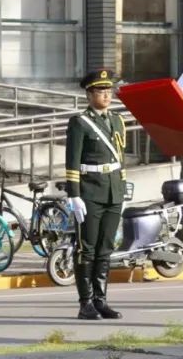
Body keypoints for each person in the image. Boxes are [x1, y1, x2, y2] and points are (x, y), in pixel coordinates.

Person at [65, 69, 127, 320]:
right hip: (89, 191)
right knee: (86, 248)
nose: (106, 95)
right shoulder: (80, 122)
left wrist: (122, 188)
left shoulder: (117, 120)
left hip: (113, 191)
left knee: (106, 248)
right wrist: (74, 195)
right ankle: (86, 302)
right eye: (101, 91)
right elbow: (72, 160)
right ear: (89, 95)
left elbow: (120, 159)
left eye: (108, 90)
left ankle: (101, 300)